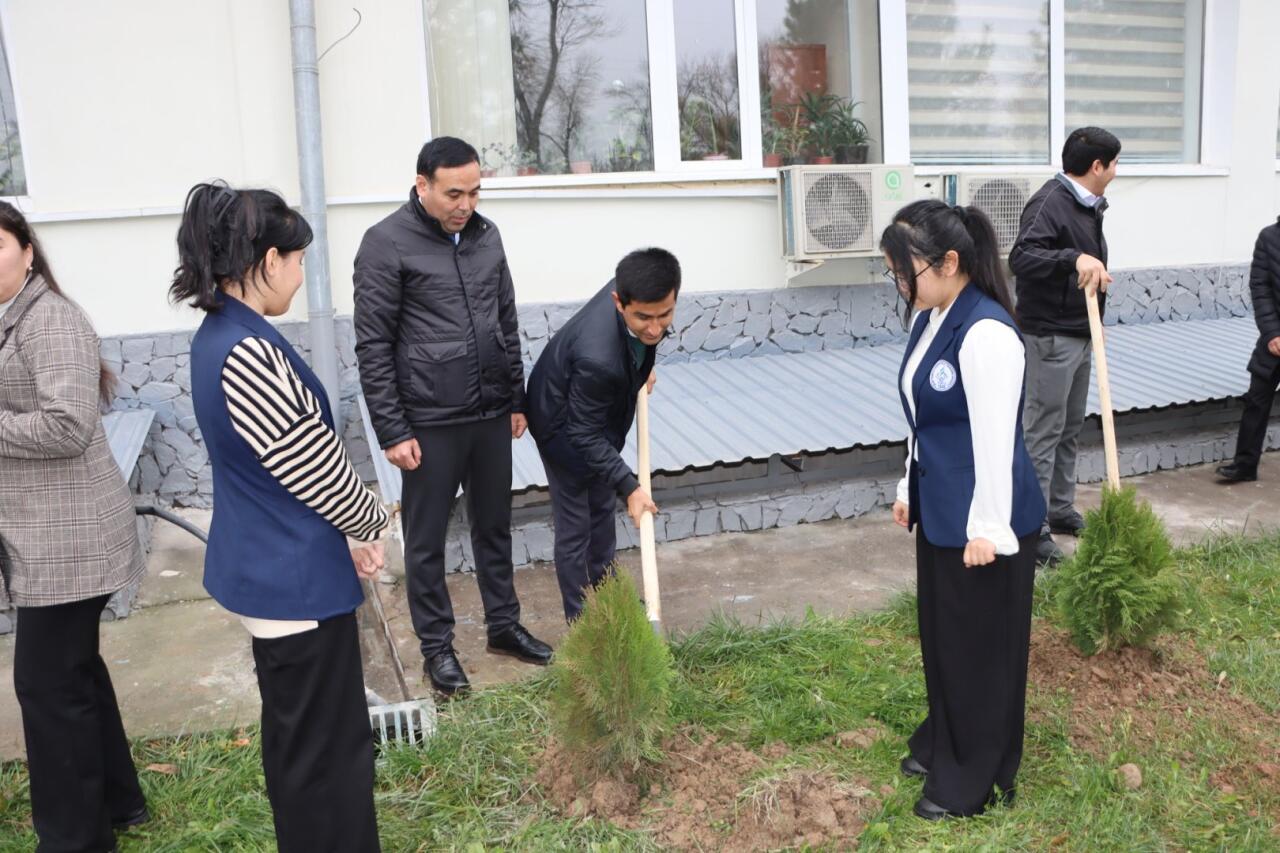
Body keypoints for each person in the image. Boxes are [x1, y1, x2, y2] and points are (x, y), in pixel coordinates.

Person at [175, 182, 388, 853]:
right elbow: (313, 466)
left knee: (303, 741)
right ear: (266, 260)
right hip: (291, 577)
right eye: (296, 261)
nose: (300, 274)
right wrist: (373, 521)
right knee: (326, 752)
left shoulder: (221, 335)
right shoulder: (247, 352)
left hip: (278, 564)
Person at [354, 136, 551, 695]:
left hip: (489, 411)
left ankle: (504, 627)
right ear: (422, 185)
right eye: (453, 193)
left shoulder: (487, 236)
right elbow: (373, 345)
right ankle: (437, 651)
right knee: (425, 540)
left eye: (475, 192)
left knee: (494, 526)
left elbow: (504, 320)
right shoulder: (385, 244)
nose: (466, 204)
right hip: (429, 421)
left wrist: (516, 397)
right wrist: (392, 429)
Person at [885, 199, 1046, 820]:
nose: (901, 284)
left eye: (907, 271)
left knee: (981, 651)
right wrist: (908, 487)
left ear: (950, 263)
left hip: (986, 525)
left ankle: (973, 779)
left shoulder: (986, 334)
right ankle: (944, 738)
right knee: (945, 638)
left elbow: (995, 442)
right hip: (943, 511)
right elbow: (922, 418)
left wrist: (987, 528)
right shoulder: (934, 314)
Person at [0, 202, 149, 852]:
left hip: (68, 542)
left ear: (28, 251)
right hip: (45, 533)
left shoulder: (51, 319)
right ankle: (120, 803)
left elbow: (67, 425)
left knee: (46, 684)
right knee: (75, 671)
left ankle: (75, 839)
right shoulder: (14, 319)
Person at [526, 248, 680, 621]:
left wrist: (640, 367)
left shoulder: (637, 286)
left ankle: (607, 592)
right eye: (644, 318)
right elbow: (584, 434)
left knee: (601, 512)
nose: (656, 328)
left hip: (592, 414)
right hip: (562, 428)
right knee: (577, 525)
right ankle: (582, 620)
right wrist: (630, 487)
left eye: (665, 315)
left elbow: (644, 333)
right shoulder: (599, 359)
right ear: (618, 301)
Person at [1008, 126, 1121, 566]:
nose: (1116, 171)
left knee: (1070, 427)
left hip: (1078, 331)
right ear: (1097, 166)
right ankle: (1032, 529)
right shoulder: (1050, 202)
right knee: (1043, 430)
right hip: (1050, 337)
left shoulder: (1087, 205)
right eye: (1114, 163)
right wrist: (1073, 257)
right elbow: (1022, 258)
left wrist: (1094, 324)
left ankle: (1059, 508)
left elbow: (1087, 275)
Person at [1217, 216, 1280, 483]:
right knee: (1256, 399)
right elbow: (1260, 288)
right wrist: (1272, 333)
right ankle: (1244, 466)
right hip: (1275, 339)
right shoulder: (1269, 238)